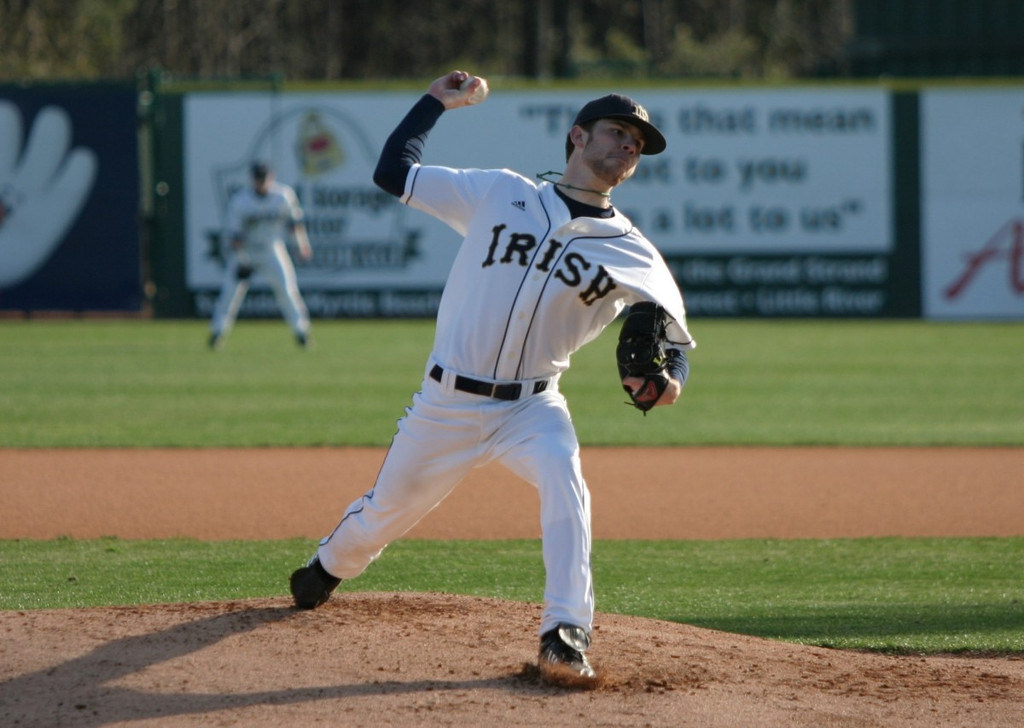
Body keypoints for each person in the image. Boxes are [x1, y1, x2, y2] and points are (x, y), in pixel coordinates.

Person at [289, 71, 695, 681]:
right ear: (578, 136)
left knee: (566, 480)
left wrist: (669, 382)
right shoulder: (501, 193)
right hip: (445, 402)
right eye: (618, 132)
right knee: (380, 518)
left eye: (637, 144)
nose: (629, 146)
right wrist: (434, 103)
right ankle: (326, 568)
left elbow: (674, 338)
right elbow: (393, 172)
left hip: (533, 408)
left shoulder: (632, 250)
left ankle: (565, 632)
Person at [208, 162, 313, 349]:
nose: (261, 181)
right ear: (252, 179)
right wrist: (242, 261)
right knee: (230, 294)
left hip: (272, 249)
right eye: (258, 178)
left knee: (287, 290)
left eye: (264, 177)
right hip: (247, 251)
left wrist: (302, 245)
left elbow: (294, 224)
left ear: (271, 177)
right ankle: (218, 332)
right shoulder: (241, 201)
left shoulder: (283, 196)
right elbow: (235, 236)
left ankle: (301, 332)